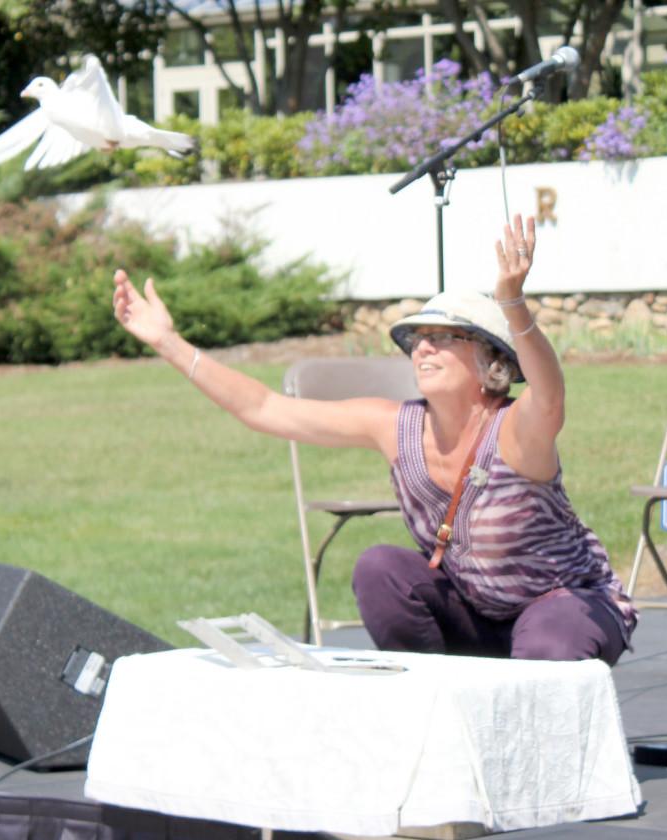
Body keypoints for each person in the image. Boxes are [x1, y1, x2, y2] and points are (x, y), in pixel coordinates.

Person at [112, 213, 636, 665]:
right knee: (381, 569)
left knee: (547, 641)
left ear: (491, 362)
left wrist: (513, 304)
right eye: (417, 341)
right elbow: (265, 408)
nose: (422, 350)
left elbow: (550, 392)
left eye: (441, 338)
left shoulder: (517, 429)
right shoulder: (393, 425)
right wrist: (167, 341)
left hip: (562, 609)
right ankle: (434, 711)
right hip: (478, 615)